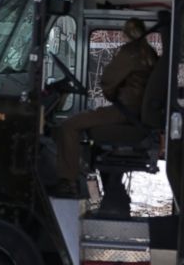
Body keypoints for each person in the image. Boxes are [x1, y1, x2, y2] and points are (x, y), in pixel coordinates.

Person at [53, 18, 158, 197]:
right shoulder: (150, 53)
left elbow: (108, 81)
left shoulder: (130, 52)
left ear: (126, 33)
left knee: (68, 125)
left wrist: (111, 95)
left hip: (123, 113)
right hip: (136, 114)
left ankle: (68, 183)